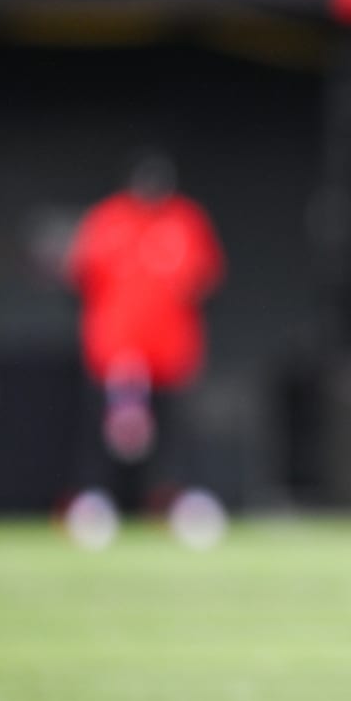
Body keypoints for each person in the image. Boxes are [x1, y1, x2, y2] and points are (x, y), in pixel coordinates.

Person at [63, 150, 226, 547]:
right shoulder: (107, 219)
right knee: (104, 439)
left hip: (170, 357)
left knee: (175, 439)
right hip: (115, 355)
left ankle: (180, 505)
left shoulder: (185, 219)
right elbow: (79, 277)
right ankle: (93, 506)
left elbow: (205, 279)